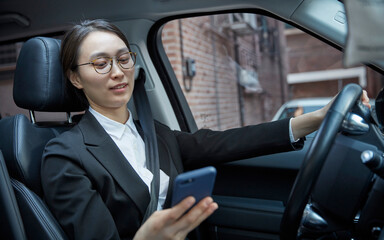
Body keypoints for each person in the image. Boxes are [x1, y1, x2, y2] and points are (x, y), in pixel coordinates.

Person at [40, 19, 370, 240]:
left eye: (124, 58)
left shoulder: (151, 132)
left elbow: (220, 143)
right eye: (101, 63)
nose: (118, 72)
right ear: (75, 77)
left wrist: (316, 119)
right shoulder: (65, 156)